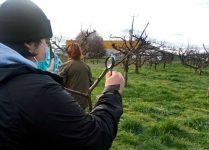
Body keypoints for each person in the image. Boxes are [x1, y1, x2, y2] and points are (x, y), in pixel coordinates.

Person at [0, 0, 125, 150]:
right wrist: (112, 91)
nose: (47, 46)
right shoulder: (40, 92)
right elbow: (94, 139)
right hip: (80, 103)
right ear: (28, 42)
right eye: (45, 41)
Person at [59, 43, 93, 110]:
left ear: (68, 53)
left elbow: (59, 83)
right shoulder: (87, 66)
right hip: (84, 101)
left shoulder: (66, 65)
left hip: (70, 101)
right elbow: (91, 83)